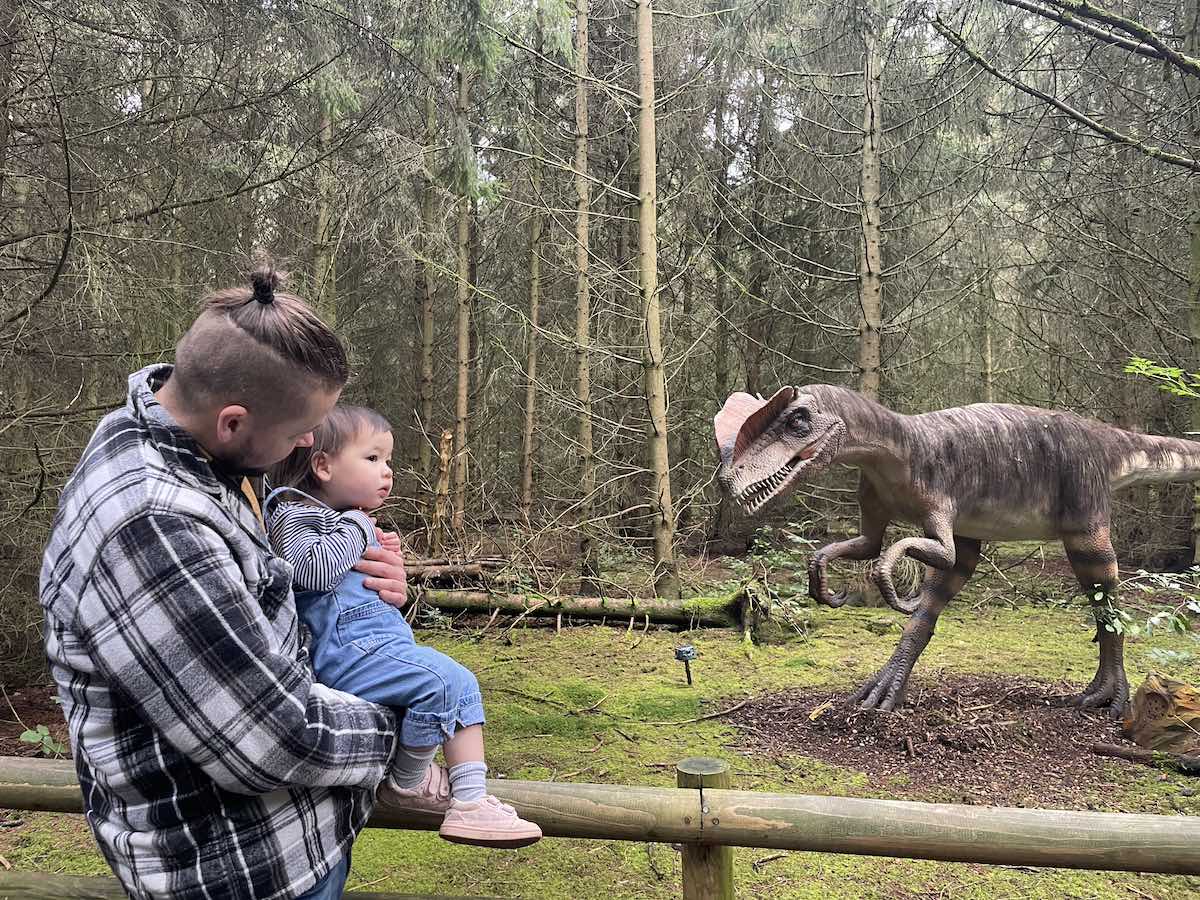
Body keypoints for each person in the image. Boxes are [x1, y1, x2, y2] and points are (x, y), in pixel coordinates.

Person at [39, 262, 415, 899]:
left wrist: (371, 588)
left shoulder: (200, 448)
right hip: (235, 871)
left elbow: (266, 592)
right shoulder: (150, 523)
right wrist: (408, 721)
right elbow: (268, 739)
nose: (304, 447)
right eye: (298, 434)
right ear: (234, 422)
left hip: (289, 843)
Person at [265, 405, 541, 849]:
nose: (387, 472)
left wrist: (377, 549)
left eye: (388, 461)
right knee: (448, 681)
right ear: (323, 465)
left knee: (462, 688)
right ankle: (412, 784)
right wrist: (357, 527)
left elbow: (358, 576)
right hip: (347, 651)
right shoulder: (293, 512)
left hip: (377, 642)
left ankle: (471, 797)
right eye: (372, 459)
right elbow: (311, 572)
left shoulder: (339, 519)